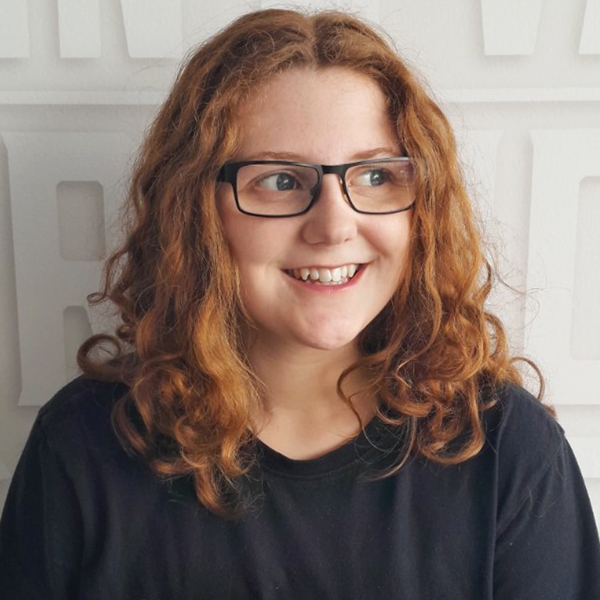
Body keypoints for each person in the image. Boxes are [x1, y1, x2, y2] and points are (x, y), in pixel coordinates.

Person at [1, 8, 599, 599]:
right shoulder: (80, 449)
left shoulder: (508, 453)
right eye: (281, 180)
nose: (334, 226)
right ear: (195, 212)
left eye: (375, 176)